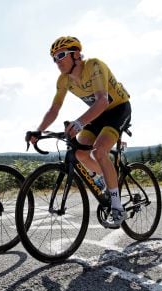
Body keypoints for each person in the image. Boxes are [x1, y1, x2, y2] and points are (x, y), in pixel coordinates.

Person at [28, 36, 131, 228]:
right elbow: (54, 109)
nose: (57, 61)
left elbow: (102, 100)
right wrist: (38, 131)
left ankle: (117, 207)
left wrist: (79, 123)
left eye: (61, 55)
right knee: (79, 151)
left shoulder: (94, 65)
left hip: (117, 109)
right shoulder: (64, 79)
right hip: (97, 115)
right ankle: (108, 180)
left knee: (99, 151)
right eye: (54, 58)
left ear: (76, 54)